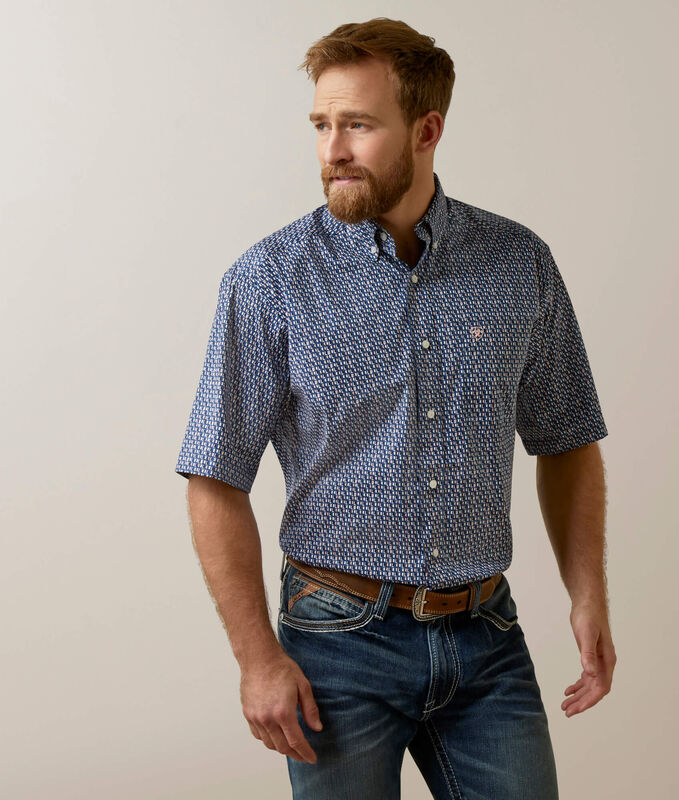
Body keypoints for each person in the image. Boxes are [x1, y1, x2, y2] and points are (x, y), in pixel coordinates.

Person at [175, 17, 615, 800]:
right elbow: (214, 478)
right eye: (321, 125)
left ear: (426, 130)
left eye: (357, 125)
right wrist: (256, 658)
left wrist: (588, 594)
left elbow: (567, 439)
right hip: (336, 648)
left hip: (487, 640)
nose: (332, 150)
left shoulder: (519, 264)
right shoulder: (269, 279)